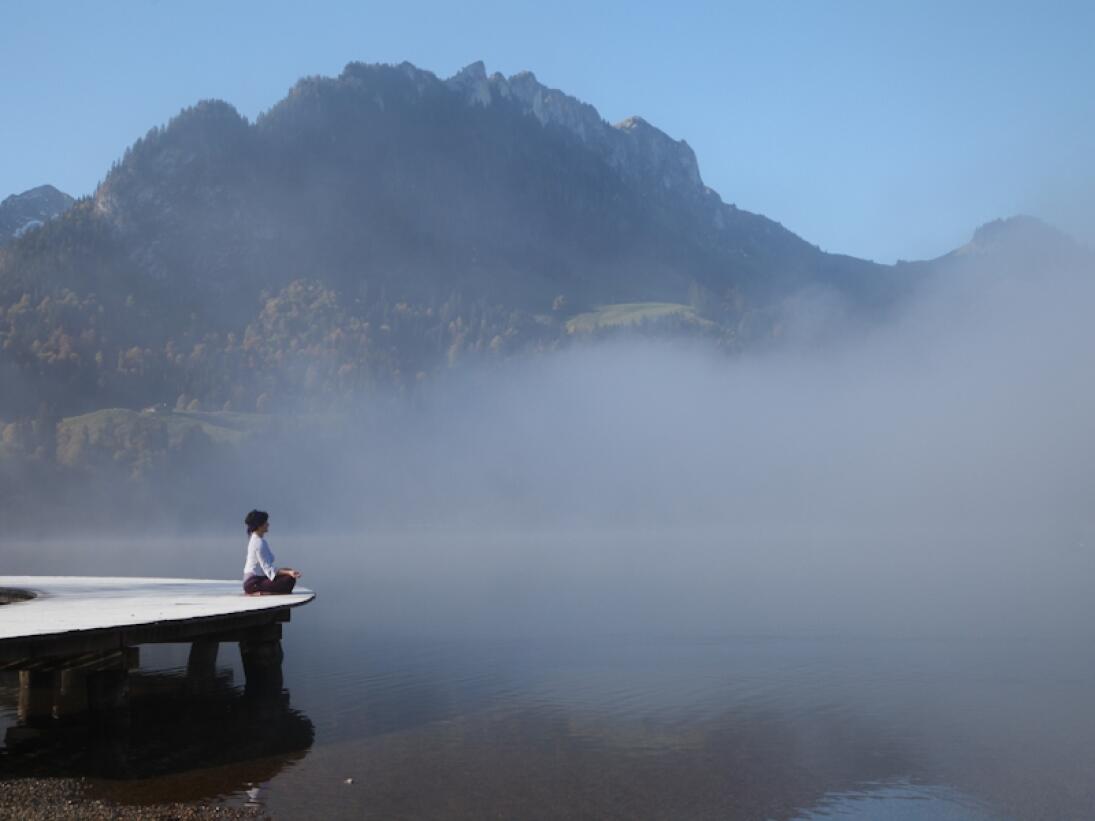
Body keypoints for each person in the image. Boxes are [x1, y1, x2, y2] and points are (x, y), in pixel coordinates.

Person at [242, 510, 302, 595]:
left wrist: (287, 571)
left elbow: (266, 568)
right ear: (259, 525)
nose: (268, 524)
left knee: (288, 571)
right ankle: (261, 592)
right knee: (289, 579)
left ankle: (265, 590)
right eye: (265, 522)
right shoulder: (258, 543)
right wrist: (288, 573)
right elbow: (268, 569)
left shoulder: (257, 540)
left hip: (257, 579)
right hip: (253, 583)